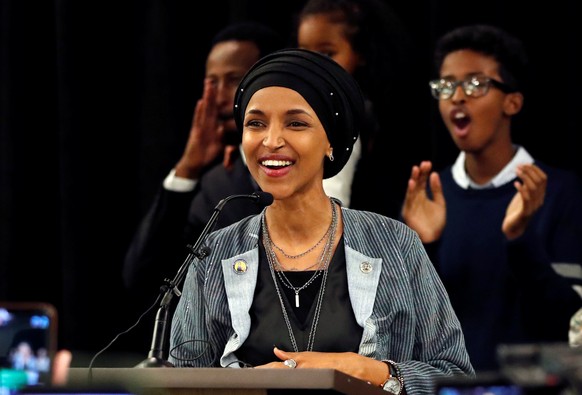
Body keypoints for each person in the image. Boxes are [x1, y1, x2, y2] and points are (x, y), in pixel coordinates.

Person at [168, 48, 474, 394]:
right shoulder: (215, 254)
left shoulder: (395, 243)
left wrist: (357, 369)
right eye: (256, 123)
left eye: (296, 123)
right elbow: (181, 381)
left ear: (332, 140)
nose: (271, 141)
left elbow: (456, 379)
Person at [401, 24, 582, 372]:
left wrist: (520, 238)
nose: (457, 97)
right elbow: (410, 330)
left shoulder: (559, 192)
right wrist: (424, 247)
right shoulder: (430, 198)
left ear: (512, 101)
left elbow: (568, 324)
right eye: (447, 85)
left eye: (474, 83)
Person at [122, 21, 286, 306]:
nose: (220, 96)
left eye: (234, 80)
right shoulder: (218, 182)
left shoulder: (313, 164)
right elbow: (142, 278)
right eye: (212, 82)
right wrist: (188, 168)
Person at [294, 0, 424, 217]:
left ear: (360, 55)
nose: (313, 65)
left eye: (327, 54)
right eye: (304, 53)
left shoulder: (343, 118)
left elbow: (324, 213)